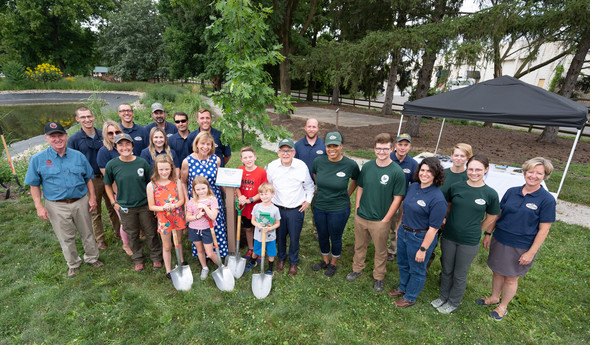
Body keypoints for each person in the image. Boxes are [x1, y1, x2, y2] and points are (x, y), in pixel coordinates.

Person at [478, 157, 556, 321]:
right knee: (497, 271)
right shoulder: (511, 191)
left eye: (539, 173)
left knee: (511, 278)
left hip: (522, 246)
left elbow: (544, 230)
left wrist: (531, 253)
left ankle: (503, 306)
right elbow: (498, 214)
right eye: (531, 171)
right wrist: (488, 233)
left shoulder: (546, 200)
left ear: (545, 176)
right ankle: (493, 297)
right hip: (500, 239)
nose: (533, 176)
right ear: (525, 172)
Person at [24, 122, 103, 278]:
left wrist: (92, 197)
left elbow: (88, 178)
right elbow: (34, 185)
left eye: (60, 135)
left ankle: (92, 258)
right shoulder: (38, 159)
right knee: (65, 237)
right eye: (53, 136)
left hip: (80, 200)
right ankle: (73, 263)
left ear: (66, 136)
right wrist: (39, 206)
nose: (58, 139)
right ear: (47, 138)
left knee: (87, 232)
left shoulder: (78, 156)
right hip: (56, 205)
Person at [431, 154, 500, 314]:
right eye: (471, 169)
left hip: (469, 241)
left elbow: (492, 216)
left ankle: (453, 302)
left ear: (486, 170)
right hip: (449, 236)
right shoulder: (456, 187)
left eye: (478, 170)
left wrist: (478, 229)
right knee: (447, 269)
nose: (474, 173)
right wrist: (447, 220)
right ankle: (443, 297)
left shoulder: (490, 193)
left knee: (459, 273)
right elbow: (447, 206)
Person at [346, 133, 406, 292]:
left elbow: (398, 198)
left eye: (385, 149)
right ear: (374, 149)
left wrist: (386, 219)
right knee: (359, 246)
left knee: (381, 251)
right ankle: (357, 269)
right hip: (362, 216)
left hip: (381, 220)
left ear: (392, 149)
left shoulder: (396, 171)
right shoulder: (367, 167)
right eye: (379, 149)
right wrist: (358, 208)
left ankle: (378, 276)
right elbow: (361, 187)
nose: (382, 152)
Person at [389, 157, 447, 307]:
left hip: (420, 237)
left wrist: (423, 249)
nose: (425, 174)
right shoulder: (413, 187)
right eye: (422, 170)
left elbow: (434, 229)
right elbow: (405, 209)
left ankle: (410, 297)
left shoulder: (438, 199)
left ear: (436, 175)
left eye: (429, 171)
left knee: (417, 269)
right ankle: (403, 288)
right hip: (404, 232)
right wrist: (399, 227)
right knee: (402, 263)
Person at [104, 133, 162, 272]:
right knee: (132, 234)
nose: (124, 147)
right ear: (116, 147)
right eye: (120, 145)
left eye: (127, 144)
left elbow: (151, 183)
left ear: (132, 146)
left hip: (144, 205)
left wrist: (153, 203)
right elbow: (107, 184)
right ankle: (138, 258)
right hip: (125, 207)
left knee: (151, 232)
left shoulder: (141, 162)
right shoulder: (112, 165)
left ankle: (156, 258)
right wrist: (114, 202)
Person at [67, 106, 118, 250]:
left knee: (113, 205)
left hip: (109, 177)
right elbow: (72, 162)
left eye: (89, 116)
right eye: (83, 117)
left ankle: (118, 232)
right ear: (77, 119)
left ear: (93, 117)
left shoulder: (103, 135)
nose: (87, 119)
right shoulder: (74, 140)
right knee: (95, 210)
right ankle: (99, 238)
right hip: (91, 179)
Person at [311, 132, 359, 277]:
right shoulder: (318, 161)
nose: (332, 149)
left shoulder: (350, 164)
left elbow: (356, 180)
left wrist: (347, 194)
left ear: (341, 146)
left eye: (335, 146)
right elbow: (315, 176)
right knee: (322, 235)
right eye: (329, 146)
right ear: (325, 146)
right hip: (319, 206)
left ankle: (333, 264)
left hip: (339, 208)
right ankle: (325, 260)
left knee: (335, 236)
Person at [267, 138, 315, 276]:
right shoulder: (272, 166)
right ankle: (281, 258)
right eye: (283, 150)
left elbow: (309, 186)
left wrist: (308, 201)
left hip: (295, 209)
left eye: (289, 151)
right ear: (278, 152)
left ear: (294, 152)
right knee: (280, 236)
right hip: (278, 208)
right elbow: (269, 185)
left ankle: (293, 261)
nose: (286, 153)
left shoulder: (301, 166)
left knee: (294, 237)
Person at [181, 131, 229, 258]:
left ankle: (217, 253)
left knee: (215, 225)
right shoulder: (187, 161)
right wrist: (186, 200)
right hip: (196, 200)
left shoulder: (216, 160)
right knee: (199, 226)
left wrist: (230, 194)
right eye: (202, 143)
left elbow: (220, 180)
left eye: (208, 144)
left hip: (213, 199)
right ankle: (203, 255)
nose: (205, 147)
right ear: (196, 144)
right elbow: (182, 182)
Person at [147, 154, 187, 280]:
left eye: (166, 169)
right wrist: (164, 208)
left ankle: (181, 261)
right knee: (167, 245)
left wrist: (174, 205)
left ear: (171, 168)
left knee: (178, 241)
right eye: (161, 169)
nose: (164, 172)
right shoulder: (151, 185)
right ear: (156, 169)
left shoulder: (176, 182)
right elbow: (151, 206)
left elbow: (181, 200)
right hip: (164, 219)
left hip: (177, 216)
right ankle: (168, 270)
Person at [97, 120, 132, 256]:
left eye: (117, 132)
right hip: (119, 193)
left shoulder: (125, 148)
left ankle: (134, 240)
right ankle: (126, 244)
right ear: (105, 135)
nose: (114, 135)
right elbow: (108, 178)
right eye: (110, 133)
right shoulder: (104, 152)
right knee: (125, 221)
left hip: (132, 190)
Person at [387, 133, 418, 261]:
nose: (402, 148)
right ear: (395, 146)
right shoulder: (387, 158)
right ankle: (374, 245)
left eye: (406, 145)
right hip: (383, 197)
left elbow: (415, 185)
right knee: (377, 222)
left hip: (399, 200)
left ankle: (391, 250)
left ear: (410, 147)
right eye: (400, 144)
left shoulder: (412, 164)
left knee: (395, 225)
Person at [185, 176, 220, 280]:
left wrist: (205, 207)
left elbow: (213, 216)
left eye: (203, 188)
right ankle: (204, 267)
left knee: (209, 253)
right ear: (194, 190)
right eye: (198, 189)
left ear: (208, 187)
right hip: (194, 229)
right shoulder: (191, 202)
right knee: (200, 250)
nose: (201, 191)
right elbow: (187, 217)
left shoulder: (212, 200)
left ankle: (221, 266)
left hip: (207, 229)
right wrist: (197, 216)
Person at [236, 146, 268, 261]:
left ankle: (260, 250)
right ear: (241, 159)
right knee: (248, 228)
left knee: (259, 228)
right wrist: (240, 197)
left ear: (255, 157)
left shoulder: (261, 172)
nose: (248, 159)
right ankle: (251, 248)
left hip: (258, 206)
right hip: (244, 207)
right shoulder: (239, 170)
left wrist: (251, 200)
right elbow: (236, 187)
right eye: (245, 157)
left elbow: (263, 190)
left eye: (250, 157)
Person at [243, 183, 281, 275]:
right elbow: (253, 221)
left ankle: (270, 269)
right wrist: (258, 225)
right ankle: (252, 262)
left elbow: (277, 223)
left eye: (266, 194)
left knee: (271, 254)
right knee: (256, 251)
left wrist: (270, 228)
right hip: (258, 236)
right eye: (261, 194)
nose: (263, 196)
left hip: (270, 236)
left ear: (272, 194)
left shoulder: (275, 209)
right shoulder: (257, 207)